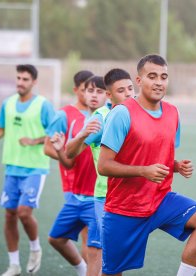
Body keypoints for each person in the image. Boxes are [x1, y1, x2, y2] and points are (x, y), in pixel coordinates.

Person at [97, 54, 196, 276]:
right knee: (112, 273)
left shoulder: (172, 113)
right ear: (139, 80)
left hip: (160, 199)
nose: (159, 82)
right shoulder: (122, 114)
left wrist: (176, 166)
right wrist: (143, 171)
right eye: (152, 76)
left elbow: (154, 156)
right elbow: (104, 166)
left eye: (164, 77)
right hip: (125, 208)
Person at [0, 64, 55, 276]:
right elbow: (1, 129)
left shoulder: (43, 105)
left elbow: (56, 133)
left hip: (35, 168)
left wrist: (34, 140)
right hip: (12, 167)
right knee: (9, 215)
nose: (20, 82)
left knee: (24, 212)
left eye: (25, 79)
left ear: (34, 82)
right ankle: (13, 265)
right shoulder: (8, 103)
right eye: (18, 78)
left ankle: (35, 249)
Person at [65, 68, 135, 248]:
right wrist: (81, 135)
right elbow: (70, 152)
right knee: (108, 251)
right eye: (121, 91)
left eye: (130, 88)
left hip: (134, 194)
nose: (128, 94)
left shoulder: (139, 113)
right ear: (109, 95)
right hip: (107, 196)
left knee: (122, 252)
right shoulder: (101, 118)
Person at [47, 75, 107, 276]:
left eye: (99, 91)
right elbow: (69, 162)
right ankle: (82, 270)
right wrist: (58, 149)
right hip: (76, 197)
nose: (94, 95)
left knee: (93, 249)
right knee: (55, 238)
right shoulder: (78, 124)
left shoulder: (108, 120)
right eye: (90, 90)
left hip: (97, 198)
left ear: (107, 95)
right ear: (83, 92)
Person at [43, 70, 94, 264]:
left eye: (95, 90)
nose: (90, 94)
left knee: (91, 238)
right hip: (74, 184)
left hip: (94, 183)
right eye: (85, 90)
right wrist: (67, 156)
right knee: (86, 236)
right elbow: (48, 147)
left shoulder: (100, 114)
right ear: (77, 90)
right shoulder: (65, 114)